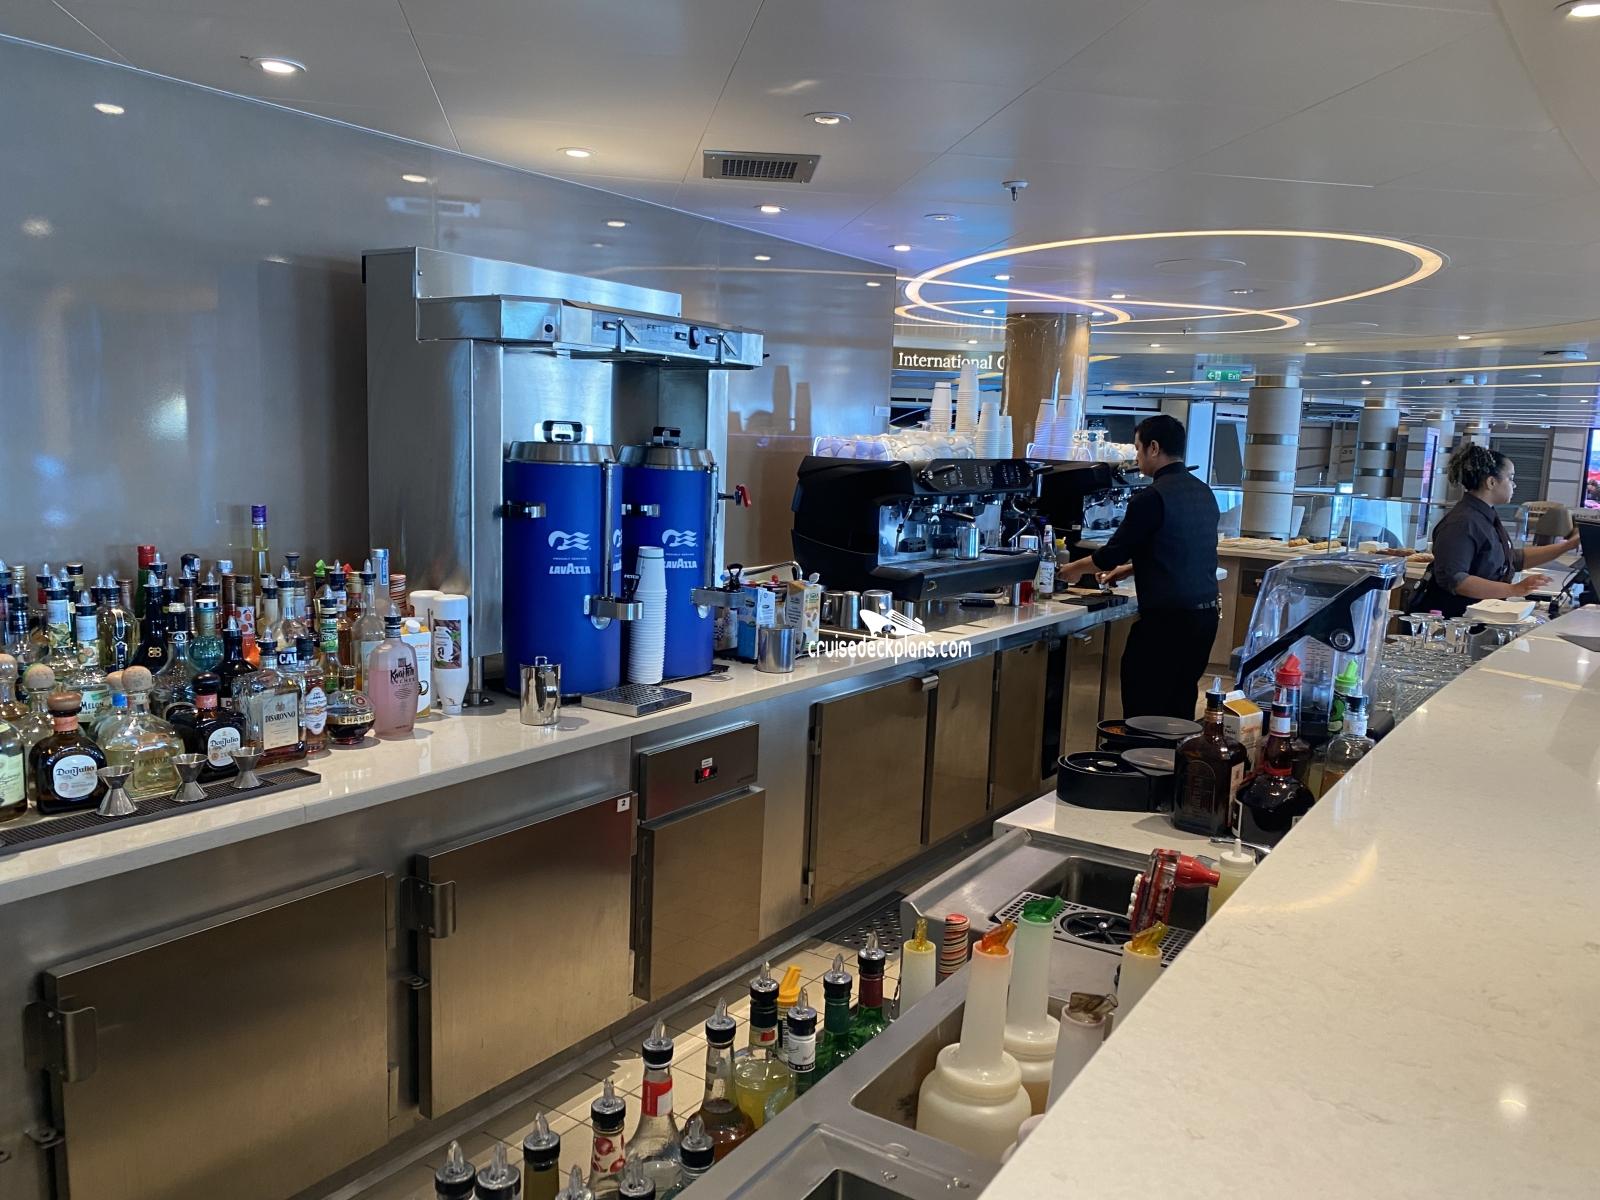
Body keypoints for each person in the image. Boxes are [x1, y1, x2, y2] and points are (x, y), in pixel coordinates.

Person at [1060, 414, 1219, 720]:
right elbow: (1182, 549)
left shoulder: (1151, 497)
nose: (1136, 457)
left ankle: (1142, 751)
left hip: (1167, 624)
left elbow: (1111, 554)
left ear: (1153, 448)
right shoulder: (1203, 491)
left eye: (1137, 448)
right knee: (1178, 705)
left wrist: (1072, 569)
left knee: (1144, 705)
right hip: (1204, 620)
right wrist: (1132, 569)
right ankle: (1173, 752)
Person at [1409, 443, 1581, 618]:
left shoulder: (1484, 516)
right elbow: (1456, 580)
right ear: (1491, 482)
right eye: (1510, 478)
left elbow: (1512, 559)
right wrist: (1514, 589)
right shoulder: (1462, 522)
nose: (1514, 485)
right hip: (1454, 620)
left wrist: (1566, 546)